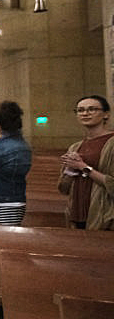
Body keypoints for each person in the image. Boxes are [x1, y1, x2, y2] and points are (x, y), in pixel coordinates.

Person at [59, 95, 114, 229]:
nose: (85, 113)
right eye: (80, 110)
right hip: (77, 212)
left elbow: (111, 183)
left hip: (104, 214)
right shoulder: (75, 147)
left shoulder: (111, 143)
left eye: (92, 109)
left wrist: (83, 167)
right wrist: (70, 169)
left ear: (106, 114)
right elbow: (63, 189)